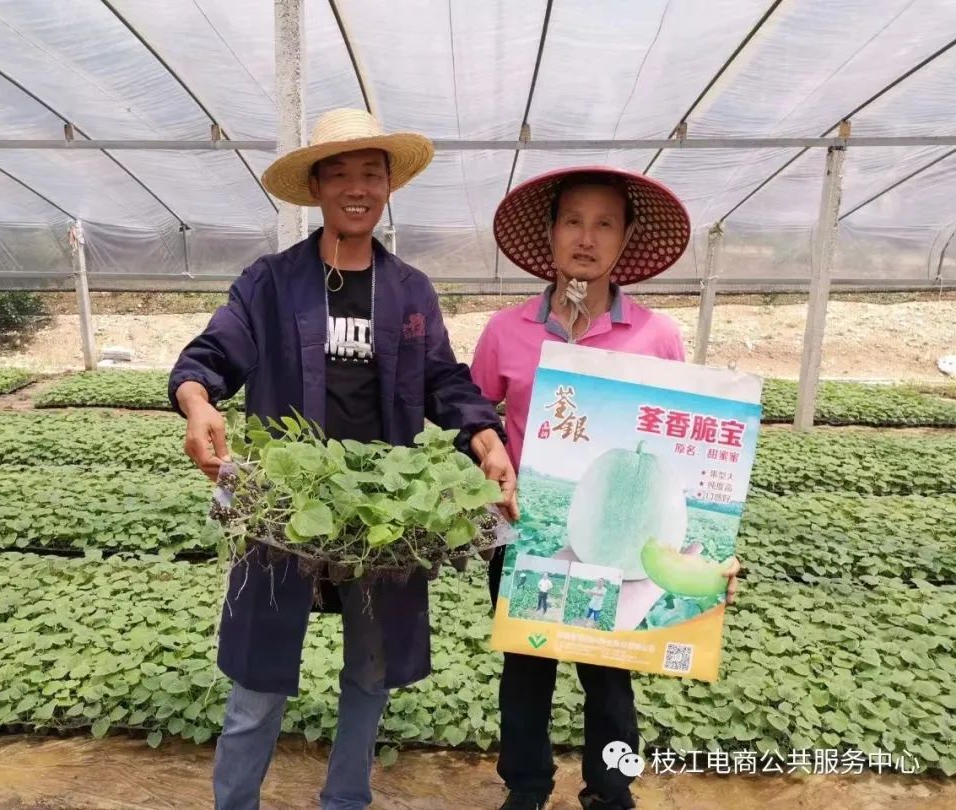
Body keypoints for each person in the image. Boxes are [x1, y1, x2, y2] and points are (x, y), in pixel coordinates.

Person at [168, 108, 517, 810]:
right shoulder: (270, 283)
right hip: (285, 504)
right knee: (259, 680)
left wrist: (484, 440)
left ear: (388, 184)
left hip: (381, 511)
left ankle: (345, 799)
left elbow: (442, 380)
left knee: (371, 669)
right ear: (318, 186)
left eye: (371, 173)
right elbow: (212, 356)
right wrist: (197, 401)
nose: (357, 188)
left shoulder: (411, 291)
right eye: (341, 174)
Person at [470, 167, 741, 810]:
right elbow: (473, 416)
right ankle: (527, 788)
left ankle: (612, 790)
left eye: (604, 224)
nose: (586, 239)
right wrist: (489, 462)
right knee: (526, 671)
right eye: (572, 221)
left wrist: (712, 548)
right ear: (550, 233)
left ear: (624, 241)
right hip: (527, 533)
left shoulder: (657, 336)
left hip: (626, 542)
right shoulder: (506, 331)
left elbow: (685, 448)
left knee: (612, 677)